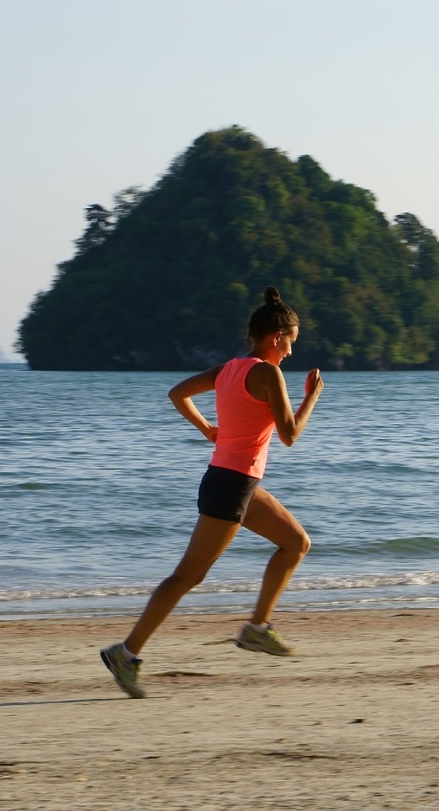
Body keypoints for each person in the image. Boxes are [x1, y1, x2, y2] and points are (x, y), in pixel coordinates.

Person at [100, 286, 324, 698]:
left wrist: (206, 429)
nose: (290, 353)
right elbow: (290, 435)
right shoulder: (267, 373)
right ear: (276, 337)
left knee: (295, 543)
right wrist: (311, 399)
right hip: (232, 485)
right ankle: (125, 653)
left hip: (236, 481)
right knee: (188, 575)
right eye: (290, 343)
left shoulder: (229, 369)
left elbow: (177, 393)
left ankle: (257, 628)